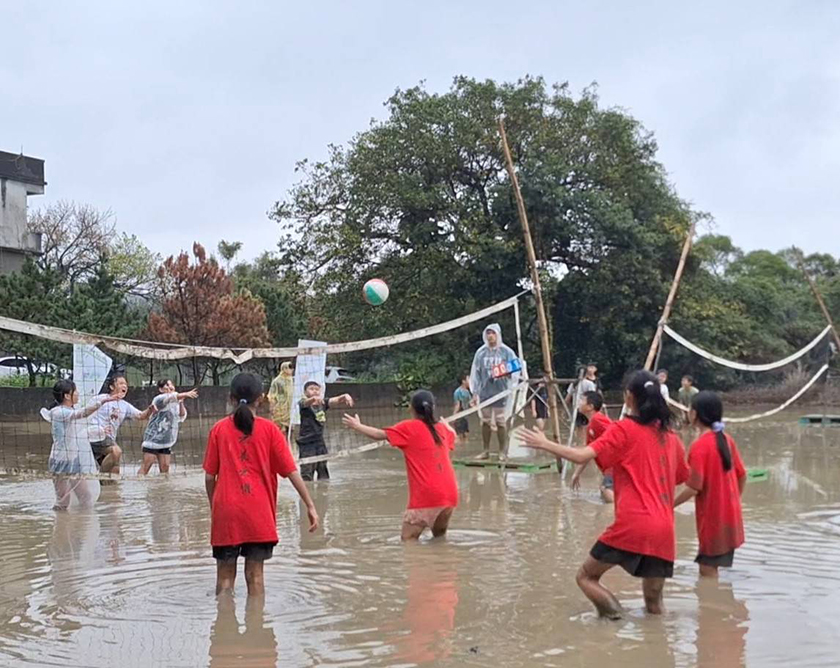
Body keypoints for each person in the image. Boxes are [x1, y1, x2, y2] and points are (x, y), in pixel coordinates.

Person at [521, 370, 689, 619]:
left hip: (632, 523)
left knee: (586, 577)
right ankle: (656, 641)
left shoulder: (623, 429)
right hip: (664, 528)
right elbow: (681, 477)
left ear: (629, 397)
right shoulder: (671, 437)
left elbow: (582, 456)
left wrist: (545, 444)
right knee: (655, 607)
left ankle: (615, 620)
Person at [203, 373, 319, 597]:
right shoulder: (270, 430)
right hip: (259, 513)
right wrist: (310, 505)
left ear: (231, 398)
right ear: (261, 398)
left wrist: (214, 506)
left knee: (225, 579)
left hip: (226, 512)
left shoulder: (218, 429)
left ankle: (224, 619)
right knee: (255, 577)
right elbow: (291, 472)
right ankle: (257, 618)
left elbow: (209, 478)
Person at [343, 390, 458, 540]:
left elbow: (378, 434)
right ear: (433, 408)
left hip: (427, 496)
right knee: (439, 540)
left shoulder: (409, 428)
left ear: (411, 408)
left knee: (408, 542)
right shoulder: (442, 429)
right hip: (450, 495)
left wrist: (357, 426)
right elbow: (453, 436)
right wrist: (449, 427)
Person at [674, 391, 746, 578]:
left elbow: (693, 487)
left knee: (707, 571)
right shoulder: (727, 440)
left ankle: (714, 598)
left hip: (714, 520)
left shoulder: (699, 446)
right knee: (712, 568)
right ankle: (721, 596)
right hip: (731, 516)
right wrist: (733, 501)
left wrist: (669, 505)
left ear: (694, 414)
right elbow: (742, 475)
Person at [47, 379, 120, 510]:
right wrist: (102, 401)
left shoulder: (68, 411)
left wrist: (100, 431)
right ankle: (58, 522)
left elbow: (79, 432)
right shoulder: (59, 412)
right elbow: (82, 414)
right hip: (60, 462)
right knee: (63, 502)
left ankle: (81, 522)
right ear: (67, 396)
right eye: (75, 391)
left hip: (73, 460)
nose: (78, 393)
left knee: (86, 497)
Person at [469, 324, 520, 460]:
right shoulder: (480, 353)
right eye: (488, 333)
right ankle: (485, 450)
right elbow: (476, 373)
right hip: (485, 392)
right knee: (485, 421)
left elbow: (516, 369)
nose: (490, 336)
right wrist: (475, 393)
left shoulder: (506, 352)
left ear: (498, 334)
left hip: (501, 391)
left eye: (493, 333)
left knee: (500, 421)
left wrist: (508, 375)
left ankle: (502, 451)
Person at [87, 374, 155, 476]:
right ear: (112, 386)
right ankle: (101, 477)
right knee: (116, 451)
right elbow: (86, 413)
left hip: (109, 439)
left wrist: (150, 410)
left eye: (126, 384)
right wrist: (97, 429)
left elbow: (141, 416)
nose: (124, 386)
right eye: (121, 383)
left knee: (115, 472)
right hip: (95, 435)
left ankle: (105, 483)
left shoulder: (124, 405)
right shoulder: (100, 398)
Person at [296, 380, 354, 481]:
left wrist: (345, 396)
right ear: (305, 392)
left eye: (317, 389)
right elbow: (305, 403)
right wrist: (313, 399)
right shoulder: (302, 403)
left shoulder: (322, 403)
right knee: (307, 475)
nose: (315, 391)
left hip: (320, 442)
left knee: (323, 474)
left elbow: (336, 400)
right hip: (306, 443)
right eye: (311, 389)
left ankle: (323, 490)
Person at [139, 379, 199, 475]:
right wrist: (185, 394)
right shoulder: (159, 399)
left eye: (171, 385)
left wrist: (181, 402)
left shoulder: (175, 402)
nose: (170, 387)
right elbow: (170, 398)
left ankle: (163, 485)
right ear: (161, 389)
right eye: (167, 385)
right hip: (152, 439)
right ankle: (139, 482)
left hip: (166, 441)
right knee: (147, 465)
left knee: (165, 468)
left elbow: (181, 416)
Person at [570, 391, 615, 503]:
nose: (579, 403)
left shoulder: (597, 419)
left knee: (606, 490)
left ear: (590, 406)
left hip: (615, 465)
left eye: (582, 400)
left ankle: (619, 510)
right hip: (609, 467)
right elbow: (588, 453)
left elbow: (616, 432)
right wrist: (576, 474)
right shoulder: (591, 425)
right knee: (604, 492)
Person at [267, 362, 294, 435]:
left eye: (292, 368)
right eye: (289, 368)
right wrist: (272, 407)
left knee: (291, 430)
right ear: (284, 368)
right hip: (280, 407)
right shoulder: (277, 381)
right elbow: (272, 395)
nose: (291, 370)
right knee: (280, 429)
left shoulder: (291, 380)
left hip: (290, 407)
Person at [451, 374, 472, 444]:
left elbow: (470, 403)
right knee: (460, 437)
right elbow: (457, 405)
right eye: (468, 379)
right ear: (463, 381)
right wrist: (454, 417)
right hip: (459, 417)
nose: (470, 381)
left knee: (465, 435)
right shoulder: (458, 392)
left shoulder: (467, 392)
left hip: (465, 417)